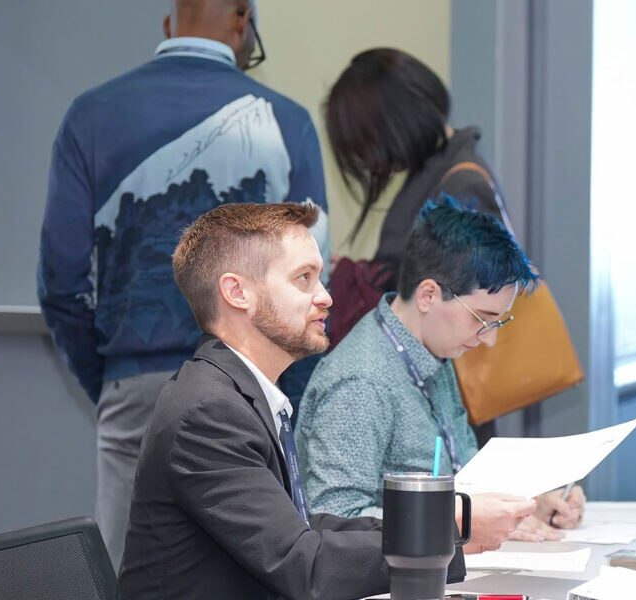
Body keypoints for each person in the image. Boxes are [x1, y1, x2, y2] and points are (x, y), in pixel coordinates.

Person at [36, 0, 328, 568]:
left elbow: (62, 281)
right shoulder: (287, 122)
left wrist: (113, 378)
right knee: (272, 564)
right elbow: (314, 277)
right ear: (243, 23)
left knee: (129, 568)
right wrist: (290, 387)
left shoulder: (90, 115)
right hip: (253, 384)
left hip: (135, 382)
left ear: (169, 24)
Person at [118, 202, 460, 599]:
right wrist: (437, 540)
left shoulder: (238, 393)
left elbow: (300, 525)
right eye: (304, 279)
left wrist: (438, 525)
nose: (326, 297)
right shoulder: (208, 414)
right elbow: (303, 564)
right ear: (237, 292)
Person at [297, 200, 584, 551]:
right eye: (482, 319)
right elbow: (336, 522)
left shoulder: (432, 348)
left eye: (498, 322)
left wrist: (523, 504)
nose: (490, 339)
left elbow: (465, 472)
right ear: (429, 295)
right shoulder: (361, 383)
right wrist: (459, 524)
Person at [325, 46, 513, 446]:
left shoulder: (460, 184)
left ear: (394, 125)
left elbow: (459, 297)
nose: (367, 159)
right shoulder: (436, 173)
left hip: (443, 392)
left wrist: (362, 280)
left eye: (366, 141)